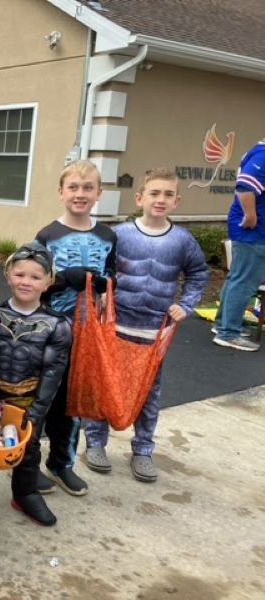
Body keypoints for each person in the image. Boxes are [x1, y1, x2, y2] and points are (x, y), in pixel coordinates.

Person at [84, 168, 208, 482]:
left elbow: (199, 274)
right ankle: (95, 443)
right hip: (117, 325)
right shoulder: (120, 234)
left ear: (177, 201)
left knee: (148, 393)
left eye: (168, 194)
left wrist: (187, 304)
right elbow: (100, 270)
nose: (161, 199)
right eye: (154, 193)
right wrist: (99, 297)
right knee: (105, 385)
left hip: (154, 332)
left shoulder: (183, 240)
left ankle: (142, 450)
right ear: (140, 198)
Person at [35, 159, 116, 497]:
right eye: (73, 187)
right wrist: (58, 281)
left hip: (88, 333)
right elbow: (30, 279)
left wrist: (103, 283)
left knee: (73, 403)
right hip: (51, 330)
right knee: (40, 399)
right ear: (61, 192)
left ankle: (61, 463)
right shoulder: (48, 235)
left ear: (99, 193)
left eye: (87, 188)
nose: (80, 194)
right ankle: (27, 464)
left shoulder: (107, 235)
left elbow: (113, 277)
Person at [0, 243, 72, 526]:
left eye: (36, 277)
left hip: (28, 398)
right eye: (20, 274)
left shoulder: (56, 325)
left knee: (29, 449)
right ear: (8, 274)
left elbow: (53, 372)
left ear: (49, 281)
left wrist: (37, 413)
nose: (26, 282)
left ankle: (24, 494)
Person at [213, 140, 265, 351]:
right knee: (244, 281)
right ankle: (229, 333)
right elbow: (246, 184)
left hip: (250, 231)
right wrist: (250, 215)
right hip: (253, 232)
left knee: (237, 277)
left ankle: (223, 324)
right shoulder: (263, 154)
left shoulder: (259, 150)